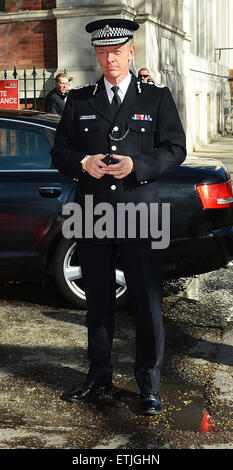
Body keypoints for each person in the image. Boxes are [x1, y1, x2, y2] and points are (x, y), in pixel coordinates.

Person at [51, 18, 186, 415]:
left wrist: (138, 165)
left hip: (142, 212)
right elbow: (59, 152)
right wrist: (83, 162)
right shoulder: (79, 100)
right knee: (99, 303)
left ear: (130, 52)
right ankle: (98, 377)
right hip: (92, 214)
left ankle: (149, 386)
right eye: (102, 52)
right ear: (96, 55)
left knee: (147, 302)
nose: (110, 58)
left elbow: (175, 148)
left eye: (117, 51)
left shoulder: (156, 98)